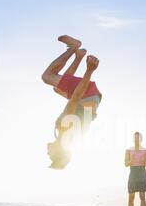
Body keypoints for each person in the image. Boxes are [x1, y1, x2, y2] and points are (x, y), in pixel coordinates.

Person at [41, 35, 102, 169]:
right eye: (50, 155)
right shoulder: (64, 129)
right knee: (47, 77)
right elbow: (74, 99)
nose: (47, 152)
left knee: (58, 88)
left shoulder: (70, 139)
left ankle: (78, 56)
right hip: (86, 94)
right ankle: (74, 48)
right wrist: (89, 71)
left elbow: (85, 113)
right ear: (58, 152)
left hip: (91, 98)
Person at [124, 132, 146, 206]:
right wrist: (132, 159)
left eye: (138, 138)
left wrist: (144, 161)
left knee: (142, 197)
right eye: (135, 138)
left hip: (142, 172)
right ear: (133, 139)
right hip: (133, 172)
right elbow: (126, 164)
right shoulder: (128, 150)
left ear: (141, 139)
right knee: (131, 197)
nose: (136, 140)